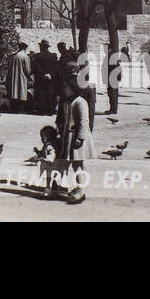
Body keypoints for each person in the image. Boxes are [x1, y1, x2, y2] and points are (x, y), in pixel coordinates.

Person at [55, 70, 94, 204]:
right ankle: (65, 187)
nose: (64, 89)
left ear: (73, 88)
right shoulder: (67, 102)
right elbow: (63, 119)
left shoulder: (80, 102)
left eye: (66, 87)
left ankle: (81, 189)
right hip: (69, 137)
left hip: (77, 138)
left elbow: (84, 122)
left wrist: (80, 138)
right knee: (68, 162)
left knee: (78, 164)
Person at [31, 40, 59, 114]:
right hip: (50, 78)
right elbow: (55, 67)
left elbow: (36, 67)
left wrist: (43, 74)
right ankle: (50, 110)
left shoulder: (37, 56)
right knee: (49, 93)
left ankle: (41, 110)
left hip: (40, 78)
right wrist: (50, 74)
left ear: (42, 47)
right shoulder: (53, 56)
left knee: (40, 93)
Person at [7, 42, 32, 112]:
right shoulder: (26, 57)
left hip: (12, 78)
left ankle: (13, 109)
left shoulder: (12, 56)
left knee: (13, 92)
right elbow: (27, 70)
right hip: (22, 77)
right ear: (25, 48)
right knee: (21, 92)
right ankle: (20, 109)